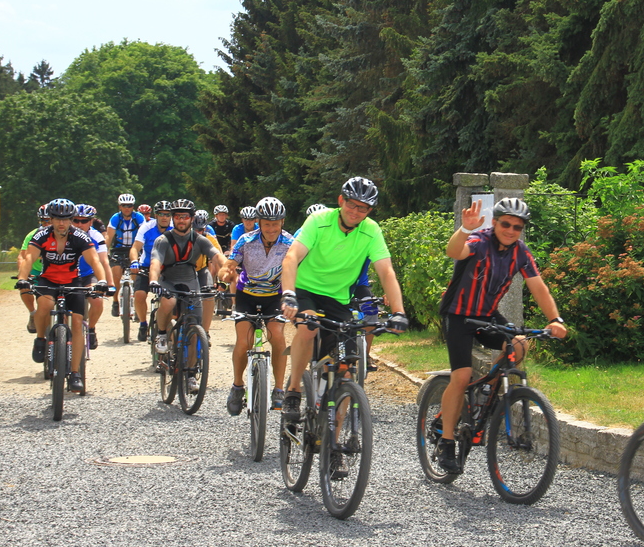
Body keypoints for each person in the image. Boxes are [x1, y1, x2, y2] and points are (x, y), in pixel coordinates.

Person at [435, 197, 567, 474]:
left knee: (519, 345)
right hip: (458, 315)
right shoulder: (479, 241)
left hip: (486, 315)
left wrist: (555, 319)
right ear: (494, 222)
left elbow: (538, 287)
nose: (511, 230)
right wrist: (465, 229)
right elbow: (454, 251)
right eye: (506, 224)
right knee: (461, 376)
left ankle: (488, 389)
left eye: (517, 227)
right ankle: (446, 442)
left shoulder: (520, 252)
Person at [280, 177, 409, 421]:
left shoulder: (371, 230)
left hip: (338, 298)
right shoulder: (319, 221)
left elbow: (386, 271)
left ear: (370, 211)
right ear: (341, 200)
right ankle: (294, 389)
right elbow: (291, 257)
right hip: (305, 290)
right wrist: (288, 294)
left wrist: (399, 312)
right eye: (352, 204)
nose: (356, 211)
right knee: (308, 328)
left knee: (348, 369)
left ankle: (335, 438)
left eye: (364, 208)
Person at [15, 198, 107, 394]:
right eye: (57, 219)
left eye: (65, 219)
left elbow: (94, 260)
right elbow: (29, 257)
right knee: (45, 306)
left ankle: (75, 373)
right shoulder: (41, 235)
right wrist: (22, 278)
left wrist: (102, 281)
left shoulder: (80, 237)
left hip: (73, 281)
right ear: (51, 219)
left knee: (77, 323)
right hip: (48, 280)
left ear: (71, 219)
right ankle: (40, 339)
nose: (61, 223)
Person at [218, 196, 293, 415]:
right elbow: (229, 265)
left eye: (275, 224)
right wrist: (225, 275)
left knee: (277, 336)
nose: (271, 229)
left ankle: (279, 389)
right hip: (247, 295)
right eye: (267, 224)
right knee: (244, 341)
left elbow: (301, 268)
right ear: (259, 222)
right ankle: (237, 386)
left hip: (274, 296)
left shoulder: (290, 243)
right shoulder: (246, 240)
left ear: (282, 222)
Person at [148, 199, 225, 394]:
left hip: (190, 280)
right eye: (177, 217)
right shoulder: (163, 240)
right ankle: (162, 334)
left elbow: (216, 255)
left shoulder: (200, 239)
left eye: (184, 217)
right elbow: (155, 261)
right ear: (173, 219)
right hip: (169, 280)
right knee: (169, 301)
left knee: (194, 328)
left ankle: (191, 374)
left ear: (191, 218)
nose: (181, 220)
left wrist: (228, 270)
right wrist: (154, 281)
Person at [130, 200, 172, 342]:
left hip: (168, 268)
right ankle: (143, 324)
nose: (164, 217)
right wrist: (134, 261)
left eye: (167, 214)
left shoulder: (175, 229)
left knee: (171, 299)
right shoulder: (146, 227)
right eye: (161, 214)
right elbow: (135, 248)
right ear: (156, 215)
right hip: (147, 266)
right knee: (139, 294)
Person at [73, 204, 113, 350]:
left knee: (97, 300)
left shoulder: (96, 236)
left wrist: (110, 283)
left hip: (88, 275)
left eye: (84, 221)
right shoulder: (65, 234)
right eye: (76, 220)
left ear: (91, 222)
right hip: (69, 275)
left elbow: (103, 261)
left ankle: (91, 328)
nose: (79, 224)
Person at [105, 193, 145, 317]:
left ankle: (137, 306)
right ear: (120, 207)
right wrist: (105, 252)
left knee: (136, 277)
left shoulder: (139, 217)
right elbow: (109, 237)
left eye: (130, 205)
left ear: (133, 206)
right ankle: (115, 301)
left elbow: (144, 234)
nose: (127, 208)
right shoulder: (115, 218)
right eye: (124, 205)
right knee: (116, 275)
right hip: (118, 249)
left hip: (135, 249)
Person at [17, 204, 49, 333]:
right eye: (44, 221)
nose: (47, 224)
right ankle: (32, 312)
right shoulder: (33, 235)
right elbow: (22, 256)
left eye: (50, 220)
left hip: (55, 272)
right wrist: (23, 276)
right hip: (36, 270)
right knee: (25, 288)